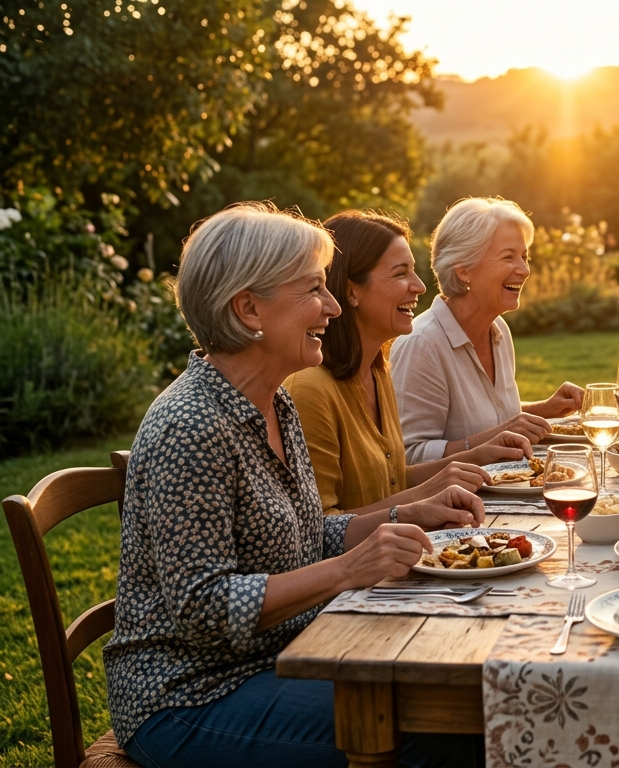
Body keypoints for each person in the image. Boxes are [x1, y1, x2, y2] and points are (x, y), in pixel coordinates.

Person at [105, 203, 484, 768]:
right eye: (313, 289)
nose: (332, 306)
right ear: (248, 308)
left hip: (283, 655)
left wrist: (403, 516)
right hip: (191, 696)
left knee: (458, 690)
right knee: (436, 729)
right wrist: (349, 570)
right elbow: (204, 608)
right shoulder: (190, 426)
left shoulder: (274, 402)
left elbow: (308, 533)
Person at [285, 210, 534, 517]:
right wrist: (420, 501)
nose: (420, 286)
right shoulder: (310, 390)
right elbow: (318, 530)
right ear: (352, 291)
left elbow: (391, 480)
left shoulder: (377, 372)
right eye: (400, 273)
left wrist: (473, 457)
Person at [391, 198, 582, 464]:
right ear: (464, 270)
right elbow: (407, 459)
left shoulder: (498, 330)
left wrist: (544, 409)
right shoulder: (421, 344)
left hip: (509, 493)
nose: (525, 270)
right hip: (457, 503)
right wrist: (497, 435)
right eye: (508, 257)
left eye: (525, 257)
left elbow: (481, 420)